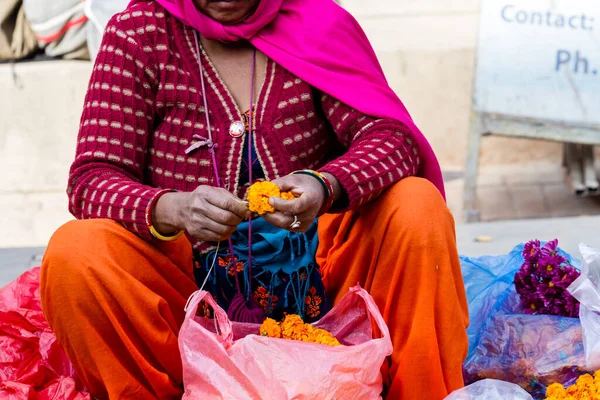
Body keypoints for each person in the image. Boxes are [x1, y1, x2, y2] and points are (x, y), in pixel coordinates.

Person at [40, 0, 469, 398]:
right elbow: (91, 179)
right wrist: (174, 208)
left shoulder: (318, 28)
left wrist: (323, 186)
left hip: (325, 293)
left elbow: (390, 137)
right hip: (184, 305)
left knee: (416, 204)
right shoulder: (140, 34)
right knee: (76, 253)